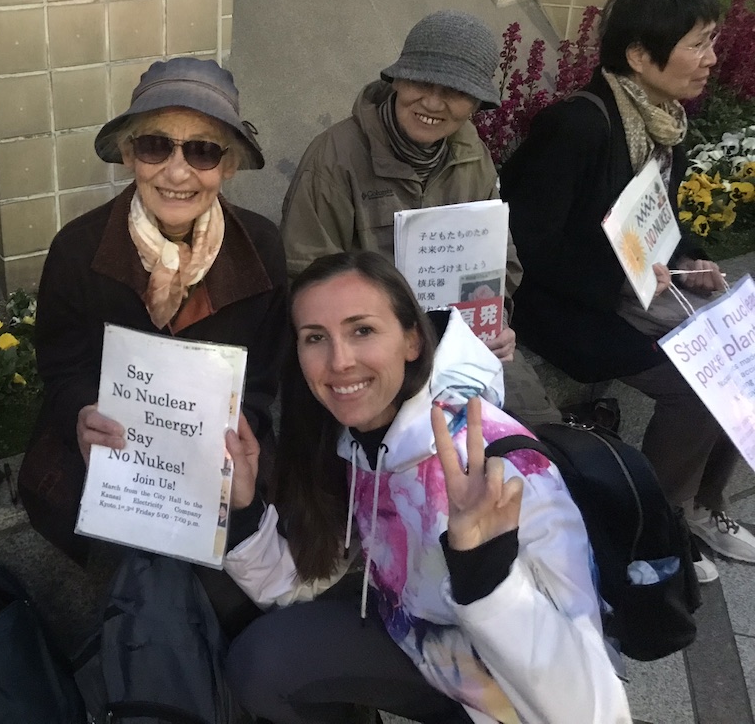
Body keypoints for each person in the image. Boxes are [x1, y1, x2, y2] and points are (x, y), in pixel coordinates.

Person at [220, 251, 629, 724]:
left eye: (362, 330)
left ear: (413, 339)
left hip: (518, 701)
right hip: (423, 652)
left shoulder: (502, 465)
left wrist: (485, 572)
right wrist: (245, 509)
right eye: (316, 338)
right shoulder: (350, 443)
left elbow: (594, 713)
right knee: (262, 663)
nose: (339, 361)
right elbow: (298, 584)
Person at [499, 0, 751, 583]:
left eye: (713, 41)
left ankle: (702, 506)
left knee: (740, 350)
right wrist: (625, 275)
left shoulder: (660, 119)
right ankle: (651, 526)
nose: (712, 60)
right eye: (697, 44)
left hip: (635, 289)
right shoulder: (580, 126)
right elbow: (526, 246)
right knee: (694, 383)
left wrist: (689, 262)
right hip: (567, 309)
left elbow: (656, 219)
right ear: (640, 55)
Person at [18, 57, 288, 572]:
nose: (177, 171)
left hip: (220, 454)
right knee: (122, 567)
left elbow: (263, 377)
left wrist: (234, 438)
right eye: (155, 145)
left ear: (228, 165)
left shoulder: (262, 248)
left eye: (204, 150)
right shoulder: (77, 250)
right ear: (128, 154)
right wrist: (81, 411)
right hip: (113, 458)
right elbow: (60, 367)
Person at [280, 10, 561, 428]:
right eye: (420, 82)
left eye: (454, 91)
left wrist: (495, 320)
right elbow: (305, 277)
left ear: (477, 103)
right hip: (369, 355)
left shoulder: (473, 155)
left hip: (461, 339)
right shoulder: (334, 159)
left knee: (538, 433)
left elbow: (501, 262)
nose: (432, 103)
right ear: (397, 79)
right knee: (426, 450)